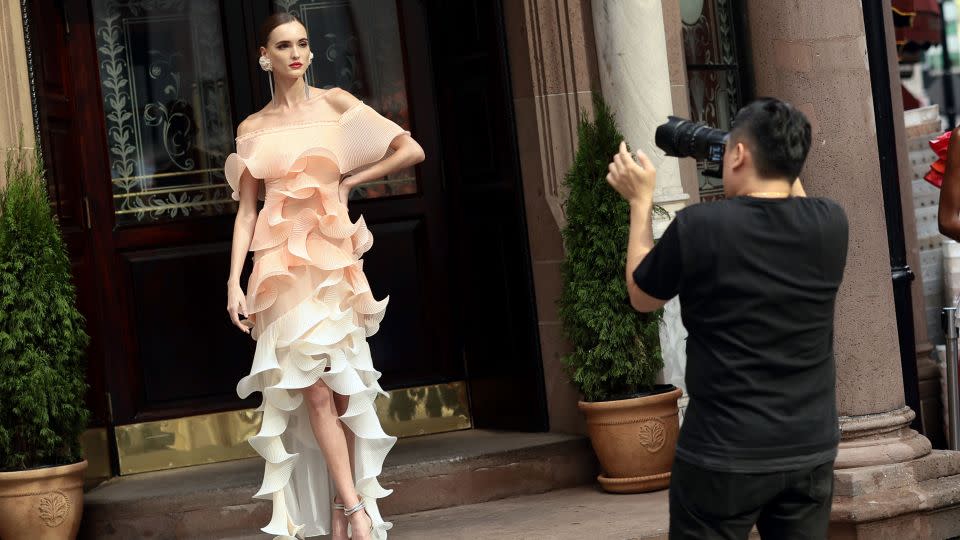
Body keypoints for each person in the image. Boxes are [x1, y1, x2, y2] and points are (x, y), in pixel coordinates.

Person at [606, 98, 848, 539]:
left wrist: (640, 202)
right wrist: (748, 148)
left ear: (738, 155)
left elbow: (642, 296)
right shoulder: (831, 223)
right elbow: (791, 192)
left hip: (723, 453)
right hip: (808, 448)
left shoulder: (700, 226)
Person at [224, 12, 424, 540]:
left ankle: (340, 508)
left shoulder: (336, 105)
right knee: (312, 391)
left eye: (303, 44)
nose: (296, 53)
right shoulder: (252, 128)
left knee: (341, 392)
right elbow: (247, 212)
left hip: (333, 263)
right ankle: (357, 514)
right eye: (284, 45)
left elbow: (411, 148)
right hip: (277, 270)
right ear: (264, 56)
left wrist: (349, 184)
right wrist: (233, 281)